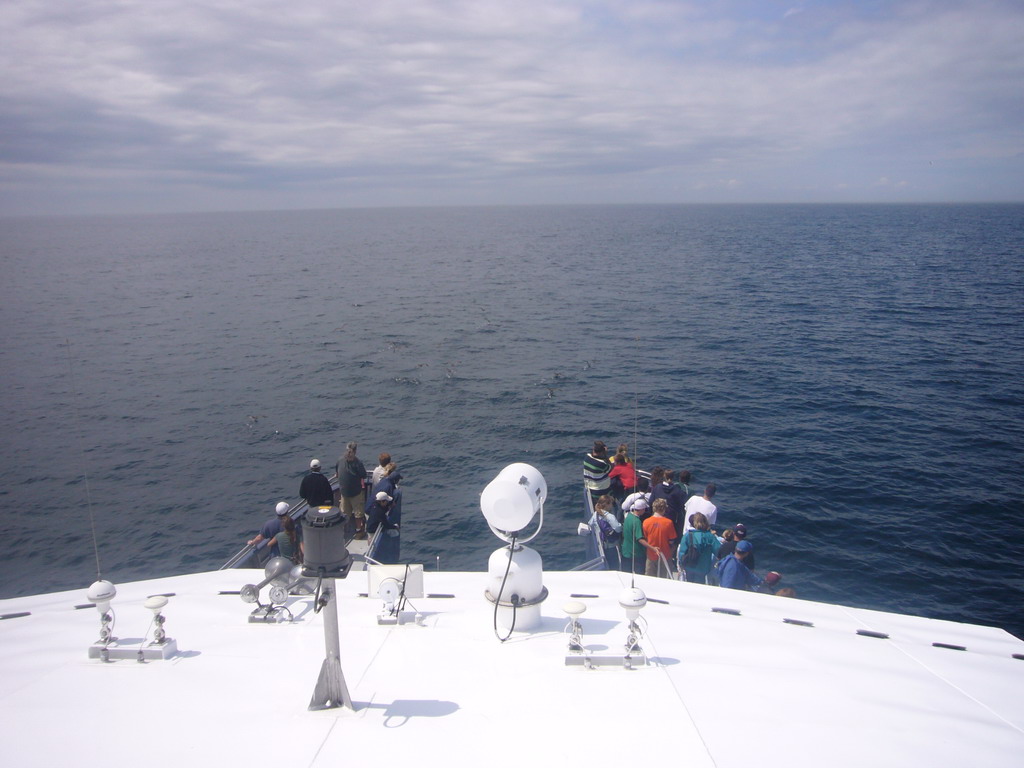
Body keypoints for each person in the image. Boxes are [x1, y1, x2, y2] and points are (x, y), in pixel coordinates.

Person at [676, 512, 720, 584]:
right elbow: (718, 551)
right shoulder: (710, 536)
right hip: (703, 568)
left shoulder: (687, 535)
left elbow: (681, 553)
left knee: (689, 585)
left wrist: (682, 565)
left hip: (689, 566)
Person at [336, 442, 368, 536]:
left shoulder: (356, 463)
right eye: (348, 451)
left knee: (353, 514)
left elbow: (363, 475)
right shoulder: (344, 461)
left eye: (350, 451)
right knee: (350, 514)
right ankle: (351, 532)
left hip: (352, 493)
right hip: (348, 494)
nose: (349, 453)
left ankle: (355, 532)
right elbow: (364, 475)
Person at [649, 469, 685, 547]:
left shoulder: (657, 487)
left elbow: (651, 501)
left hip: (656, 517)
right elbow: (681, 506)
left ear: (664, 476)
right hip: (670, 519)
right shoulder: (678, 491)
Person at [642, 499, 675, 578]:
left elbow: (645, 538)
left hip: (651, 555)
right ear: (664, 509)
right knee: (664, 579)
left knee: (649, 579)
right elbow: (671, 541)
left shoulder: (646, 522)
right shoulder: (668, 522)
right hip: (665, 555)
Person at [366, 490, 401, 563]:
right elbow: (386, 525)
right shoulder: (379, 512)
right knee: (372, 545)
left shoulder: (375, 504)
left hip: (369, 526)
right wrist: (395, 526)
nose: (387, 503)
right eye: (386, 501)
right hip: (372, 530)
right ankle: (370, 559)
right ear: (382, 501)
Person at [589, 494, 622, 569]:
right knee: (615, 566)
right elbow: (618, 528)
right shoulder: (610, 516)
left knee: (608, 565)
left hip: (602, 544)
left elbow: (590, 524)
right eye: (610, 503)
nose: (611, 505)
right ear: (606, 505)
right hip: (612, 546)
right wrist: (621, 525)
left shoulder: (596, 514)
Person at [620, 497, 648, 574]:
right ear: (641, 509)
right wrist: (652, 547)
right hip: (636, 554)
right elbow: (639, 538)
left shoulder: (628, 517)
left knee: (626, 575)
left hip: (626, 552)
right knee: (640, 575)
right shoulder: (637, 521)